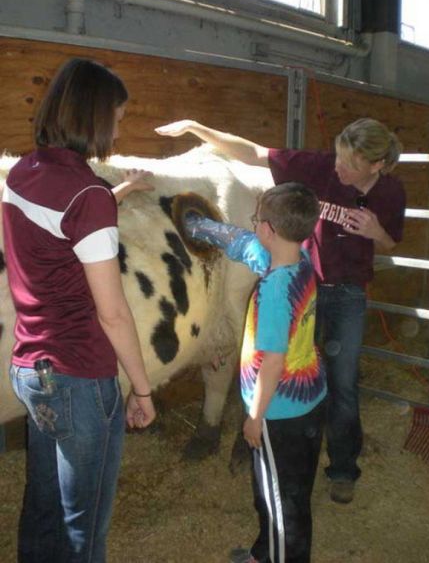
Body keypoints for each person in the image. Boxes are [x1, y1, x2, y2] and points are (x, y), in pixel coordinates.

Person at [156, 117, 406, 504]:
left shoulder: (390, 193)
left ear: (375, 166)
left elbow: (391, 243)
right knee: (284, 365)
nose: (337, 169)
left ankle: (341, 468)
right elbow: (253, 152)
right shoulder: (319, 168)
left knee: (342, 383)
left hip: (347, 295)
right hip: (306, 284)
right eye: (338, 158)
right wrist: (196, 128)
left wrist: (377, 233)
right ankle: (274, 437)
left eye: (349, 165)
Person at [2, 58, 156, 563]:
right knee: (82, 530)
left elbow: (59, 223)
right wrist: (142, 386)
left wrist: (120, 192)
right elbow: (112, 314)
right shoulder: (86, 194)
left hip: (30, 368)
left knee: (43, 508)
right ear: (94, 115)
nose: (119, 125)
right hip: (79, 380)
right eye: (118, 114)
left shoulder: (25, 170)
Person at [185, 182, 326, 563]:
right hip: (308, 402)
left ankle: (279, 556)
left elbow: (273, 364)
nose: (254, 226)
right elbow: (244, 244)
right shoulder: (301, 262)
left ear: (269, 229)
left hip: (278, 413)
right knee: (282, 492)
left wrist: (253, 417)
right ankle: (265, 552)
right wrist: (199, 226)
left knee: (283, 505)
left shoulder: (274, 292)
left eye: (257, 219)